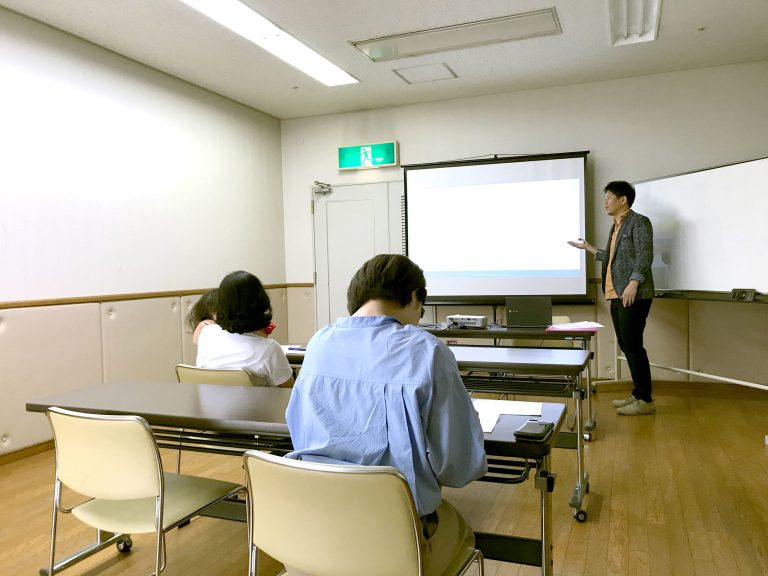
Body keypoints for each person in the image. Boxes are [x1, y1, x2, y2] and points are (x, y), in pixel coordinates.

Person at [285, 254, 487, 576]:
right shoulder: (427, 350)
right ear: (413, 297)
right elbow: (458, 466)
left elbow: (299, 429)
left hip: (313, 530)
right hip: (395, 543)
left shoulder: (319, 342)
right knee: (463, 530)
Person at [568, 180, 656, 415]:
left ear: (622, 199)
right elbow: (613, 258)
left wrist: (634, 283)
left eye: (608, 196)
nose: (605, 201)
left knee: (634, 346)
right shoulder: (616, 226)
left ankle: (645, 400)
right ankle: (638, 394)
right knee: (627, 345)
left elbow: (645, 255)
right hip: (616, 293)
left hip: (633, 293)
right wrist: (588, 247)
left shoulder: (639, 222)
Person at [196, 271, 293, 388]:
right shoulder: (269, 349)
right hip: (256, 406)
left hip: (208, 406)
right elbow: (291, 391)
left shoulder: (207, 333)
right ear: (261, 302)